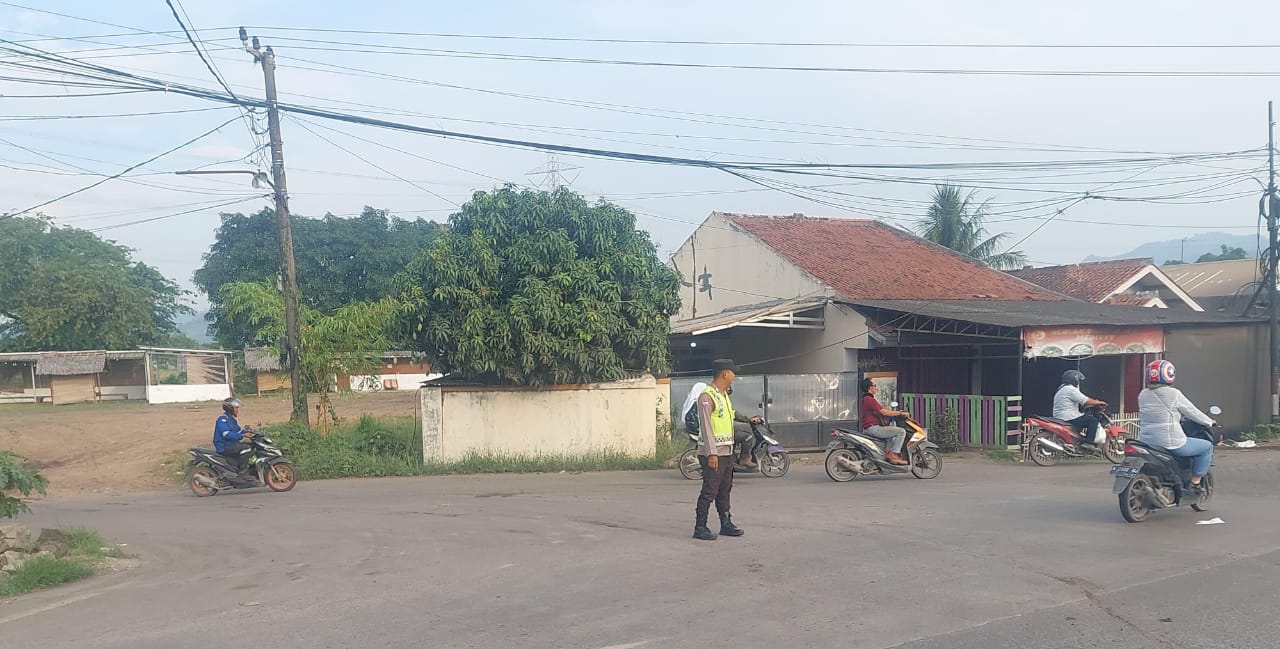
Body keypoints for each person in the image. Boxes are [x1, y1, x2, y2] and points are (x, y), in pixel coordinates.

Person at [692, 359, 762, 541]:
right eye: (732, 372)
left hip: (726, 451)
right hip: (713, 453)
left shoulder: (723, 395)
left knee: (725, 489)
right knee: (710, 489)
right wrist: (711, 453)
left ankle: (726, 523)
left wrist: (748, 419)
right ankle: (700, 526)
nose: (734, 375)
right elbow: (706, 427)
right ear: (725, 373)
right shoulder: (707, 396)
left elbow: (731, 414)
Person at [1137, 360, 1215, 491]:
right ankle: (1195, 483)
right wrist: (1209, 422)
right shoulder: (1174, 394)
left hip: (1146, 442)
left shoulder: (1142, 394)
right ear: (1169, 374)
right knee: (1207, 447)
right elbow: (1192, 412)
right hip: (1170, 443)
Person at [681, 381, 756, 468]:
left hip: (724, 432)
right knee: (747, 437)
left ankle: (735, 459)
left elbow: (732, 413)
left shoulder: (721, 399)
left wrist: (747, 419)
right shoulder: (705, 401)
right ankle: (744, 460)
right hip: (720, 435)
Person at [857, 378, 909, 466]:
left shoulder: (864, 399)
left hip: (869, 428)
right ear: (870, 387)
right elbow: (884, 412)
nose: (876, 388)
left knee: (891, 436)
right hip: (874, 428)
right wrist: (900, 413)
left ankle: (887, 454)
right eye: (874, 386)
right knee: (901, 431)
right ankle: (894, 454)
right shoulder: (869, 399)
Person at [1053, 370, 1108, 447]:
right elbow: (1085, 400)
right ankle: (1089, 443)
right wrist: (1099, 402)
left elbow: (1080, 402)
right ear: (1074, 379)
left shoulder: (1061, 389)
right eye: (1078, 380)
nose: (1078, 382)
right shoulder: (1071, 389)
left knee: (1083, 418)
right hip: (1069, 417)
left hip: (1060, 417)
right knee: (1093, 421)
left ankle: (1078, 442)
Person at [213, 397, 253, 478]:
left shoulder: (231, 420)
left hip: (231, 445)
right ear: (230, 408)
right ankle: (243, 472)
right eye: (236, 408)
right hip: (224, 447)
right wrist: (242, 435)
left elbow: (238, 431)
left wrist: (248, 431)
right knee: (246, 448)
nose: (238, 410)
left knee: (252, 445)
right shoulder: (222, 419)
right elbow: (226, 434)